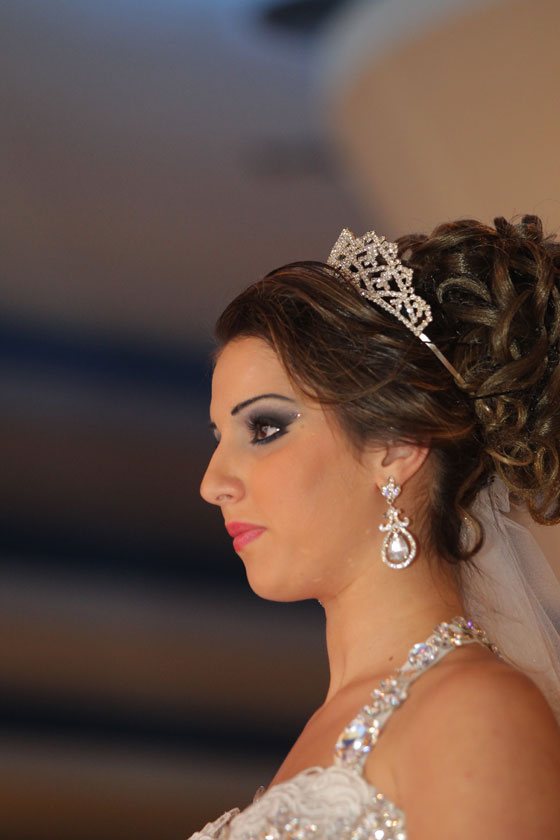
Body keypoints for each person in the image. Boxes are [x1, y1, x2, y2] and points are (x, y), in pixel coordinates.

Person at [195, 215, 560, 839]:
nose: (212, 483)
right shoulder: (332, 721)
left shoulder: (473, 712)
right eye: (218, 436)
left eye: (264, 428)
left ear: (396, 444)